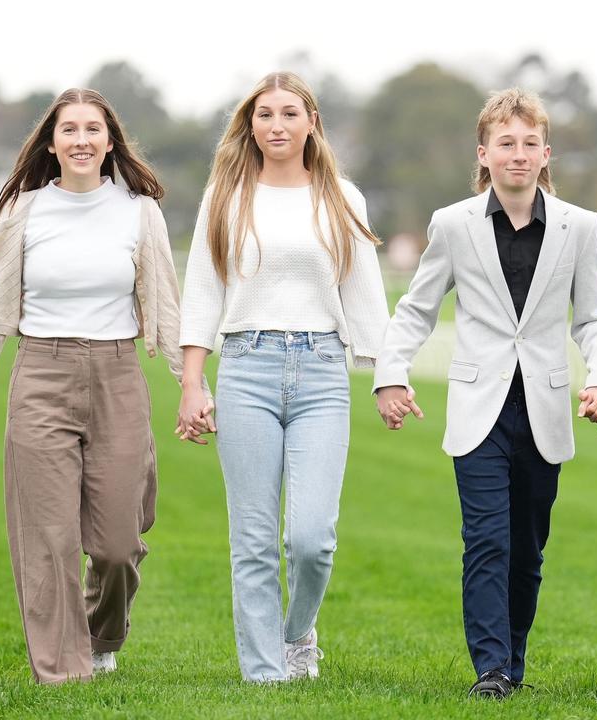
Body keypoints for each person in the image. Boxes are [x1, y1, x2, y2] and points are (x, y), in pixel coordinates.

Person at [372, 88, 597, 699]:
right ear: (483, 153)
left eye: (529, 144)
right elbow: (417, 309)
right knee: (485, 538)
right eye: (505, 143)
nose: (518, 154)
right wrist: (391, 373)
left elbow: (593, 317)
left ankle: (512, 656)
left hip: (544, 406)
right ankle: (489, 668)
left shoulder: (579, 227)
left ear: (546, 154)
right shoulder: (453, 224)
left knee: (526, 548)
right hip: (477, 408)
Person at [0, 88, 205, 684]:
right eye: (69, 130)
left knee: (117, 543)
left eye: (93, 129)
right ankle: (63, 672)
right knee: (48, 540)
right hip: (40, 374)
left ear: (110, 141)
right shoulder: (23, 211)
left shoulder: (139, 211)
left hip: (118, 378)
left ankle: (103, 634)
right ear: (52, 143)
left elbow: (165, 305)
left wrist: (191, 386)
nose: (81, 140)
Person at [177, 71, 389, 683]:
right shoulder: (225, 195)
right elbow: (202, 294)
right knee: (254, 540)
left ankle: (297, 634)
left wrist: (386, 377)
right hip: (245, 366)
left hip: (322, 370)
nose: (277, 125)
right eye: (265, 114)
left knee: (312, 540)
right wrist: (194, 384)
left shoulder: (342, 198)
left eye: (290, 114)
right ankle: (264, 673)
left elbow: (365, 293)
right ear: (250, 124)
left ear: (311, 123)